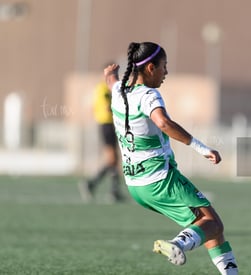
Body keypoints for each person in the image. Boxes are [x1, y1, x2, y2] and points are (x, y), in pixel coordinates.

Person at [104, 42, 238, 274]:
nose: (166, 72)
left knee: (208, 228)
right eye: (164, 67)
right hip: (160, 180)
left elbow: (111, 82)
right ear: (150, 68)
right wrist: (202, 148)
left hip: (136, 185)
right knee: (213, 223)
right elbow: (163, 123)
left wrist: (111, 75)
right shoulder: (148, 95)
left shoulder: (119, 92)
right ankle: (178, 244)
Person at [78, 67, 124, 203]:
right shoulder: (103, 89)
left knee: (115, 159)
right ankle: (91, 184)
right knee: (112, 159)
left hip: (112, 125)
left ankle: (113, 191)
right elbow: (106, 107)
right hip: (107, 125)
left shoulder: (108, 89)